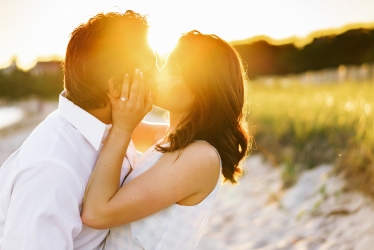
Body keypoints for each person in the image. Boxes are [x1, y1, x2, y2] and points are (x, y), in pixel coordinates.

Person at [0, 11, 159, 249]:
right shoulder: (52, 168)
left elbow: (168, 135)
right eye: (150, 70)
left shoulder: (106, 126)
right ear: (116, 87)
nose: (158, 78)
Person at [82, 30, 252, 249]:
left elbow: (96, 213)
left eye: (171, 69)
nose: (158, 74)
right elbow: (105, 123)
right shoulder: (168, 138)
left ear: (202, 88)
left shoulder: (201, 157)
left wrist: (123, 128)